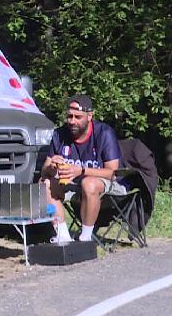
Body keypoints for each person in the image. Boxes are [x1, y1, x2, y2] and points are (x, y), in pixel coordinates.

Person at [41, 94, 126, 243]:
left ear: (89, 116)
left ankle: (85, 238)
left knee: (89, 183)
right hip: (72, 184)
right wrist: (52, 167)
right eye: (69, 116)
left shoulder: (104, 133)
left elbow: (113, 173)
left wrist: (81, 171)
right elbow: (44, 170)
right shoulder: (59, 134)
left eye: (77, 117)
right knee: (44, 183)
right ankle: (62, 234)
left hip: (109, 183)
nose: (72, 121)